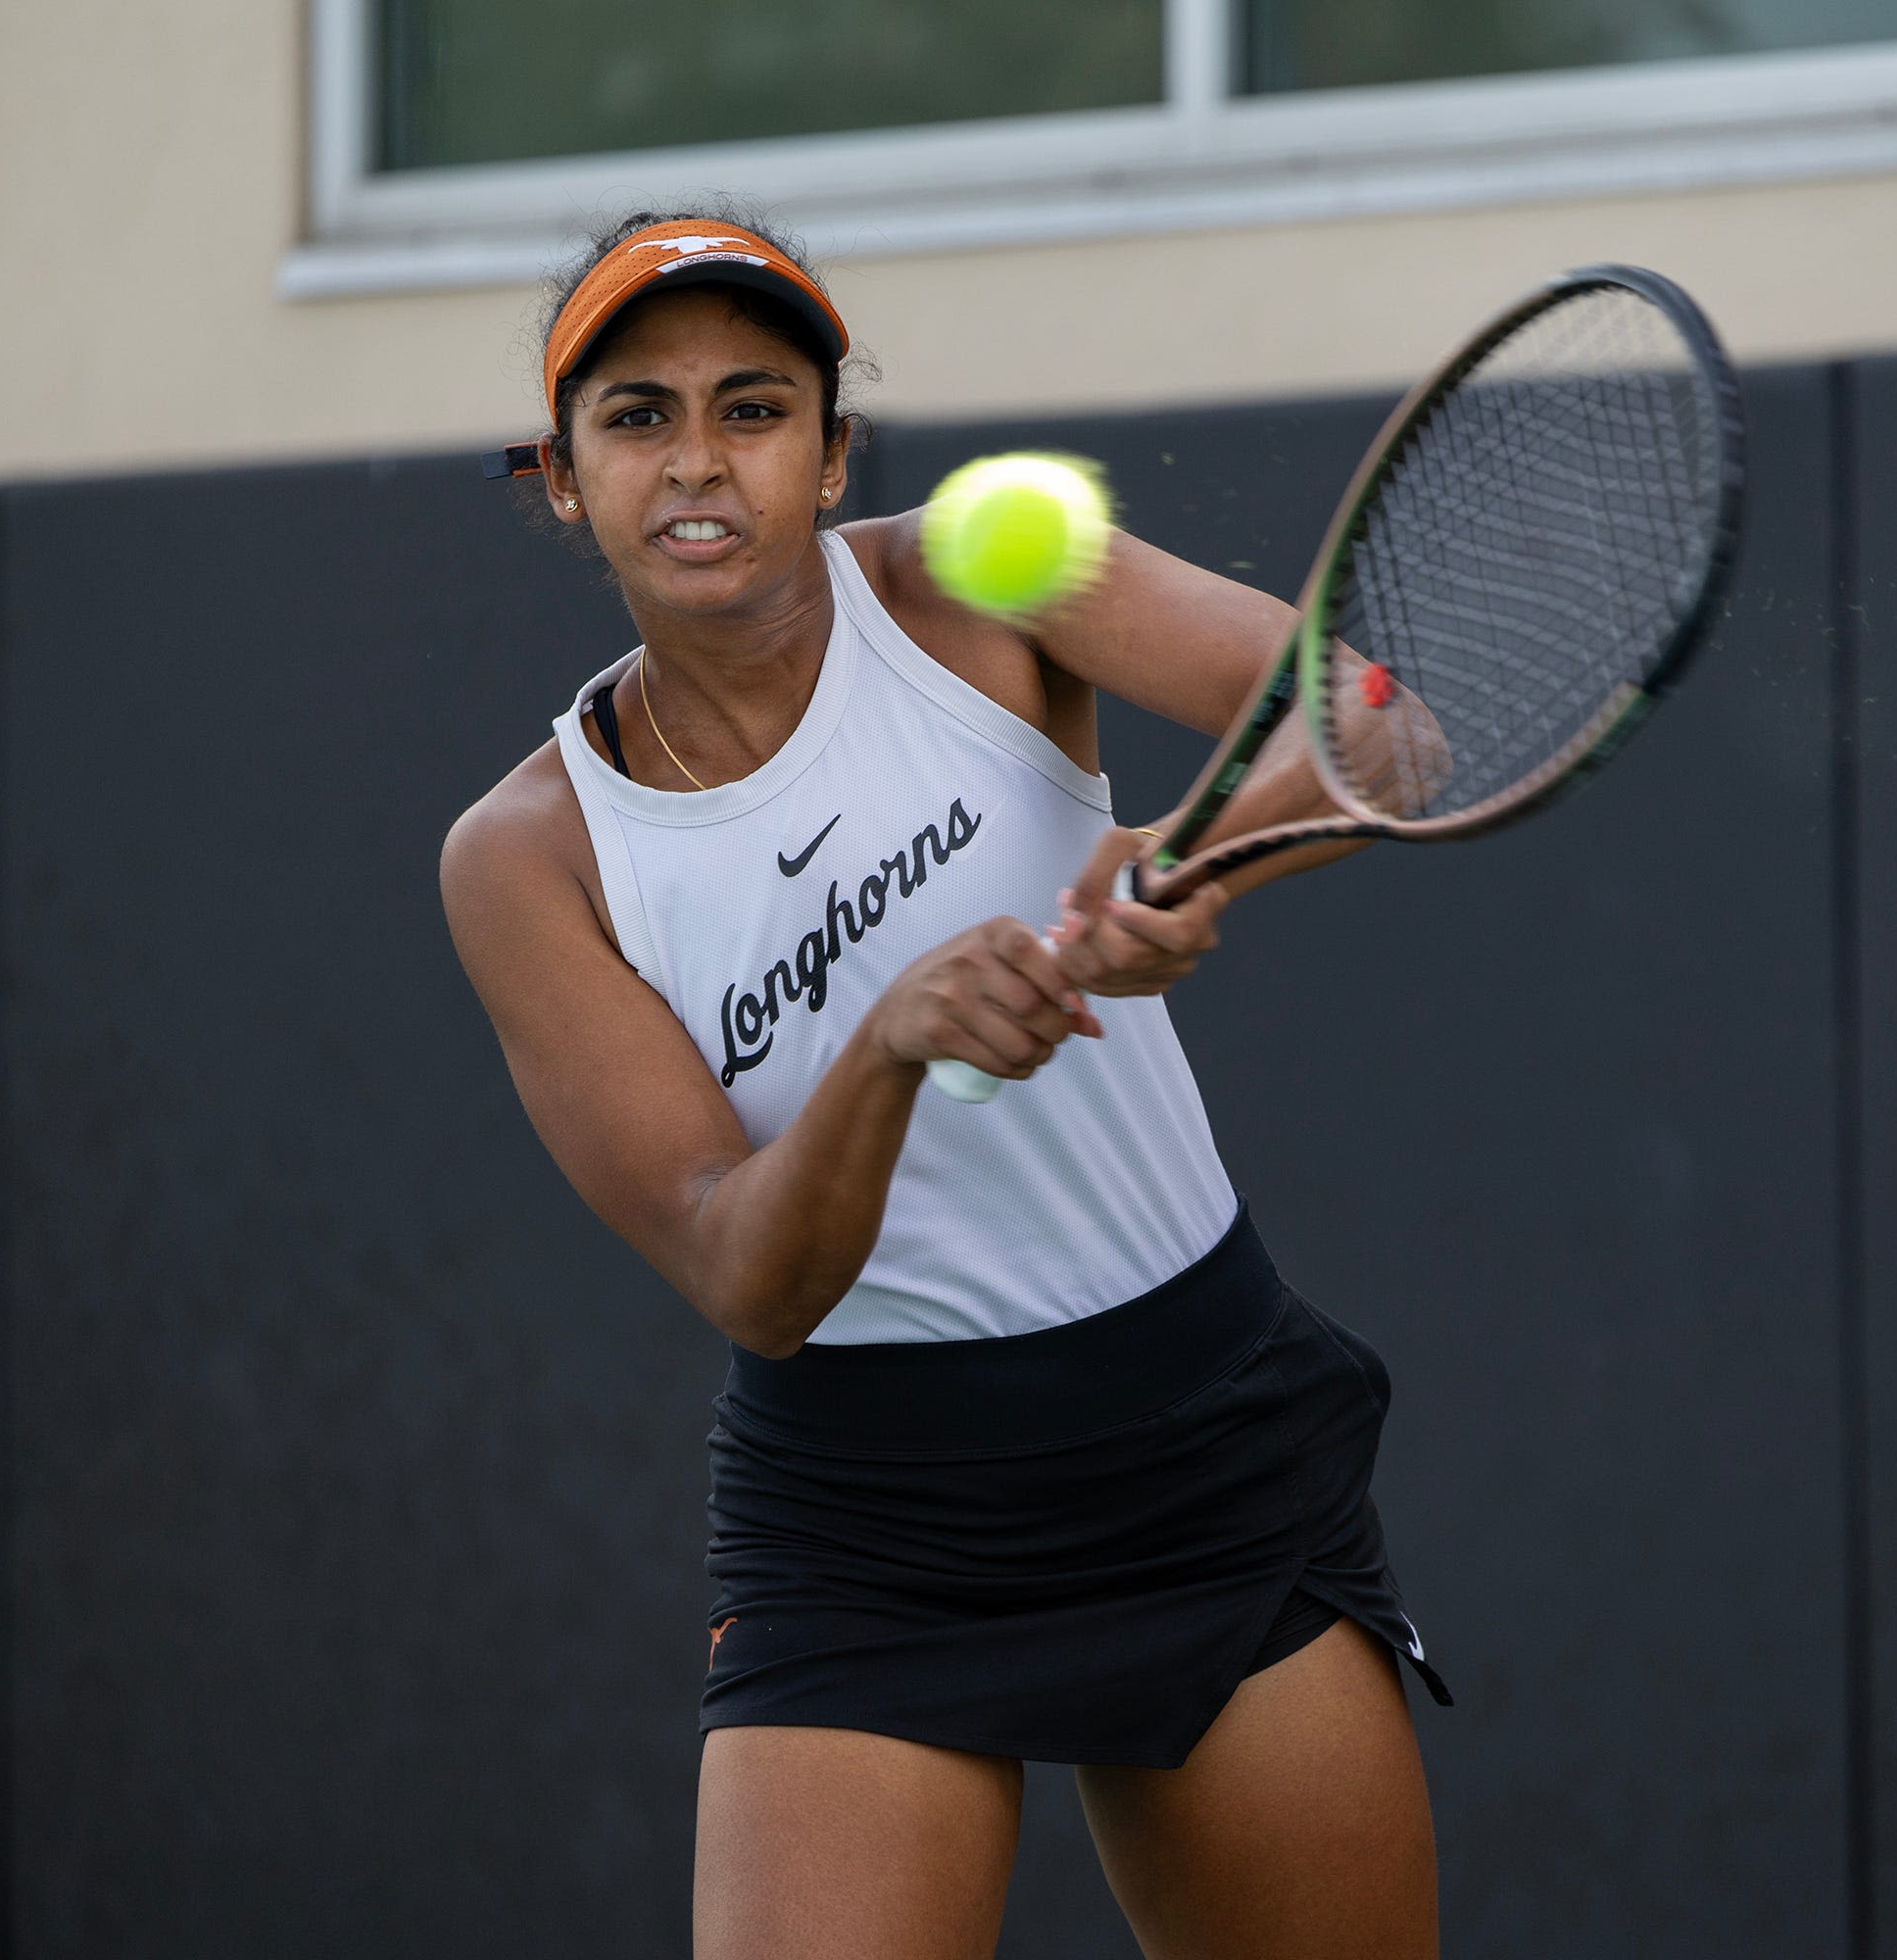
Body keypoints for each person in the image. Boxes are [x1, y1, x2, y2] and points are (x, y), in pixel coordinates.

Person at [439, 209, 1449, 1960]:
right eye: (636, 417)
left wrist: (1188, 863)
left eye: (756, 411)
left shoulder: (989, 568)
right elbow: (745, 1268)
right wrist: (892, 1044)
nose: (698, 463)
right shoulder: (526, 855)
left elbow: (1378, 729)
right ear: (558, 479)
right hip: (871, 1521)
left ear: (835, 456)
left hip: (1201, 1430)